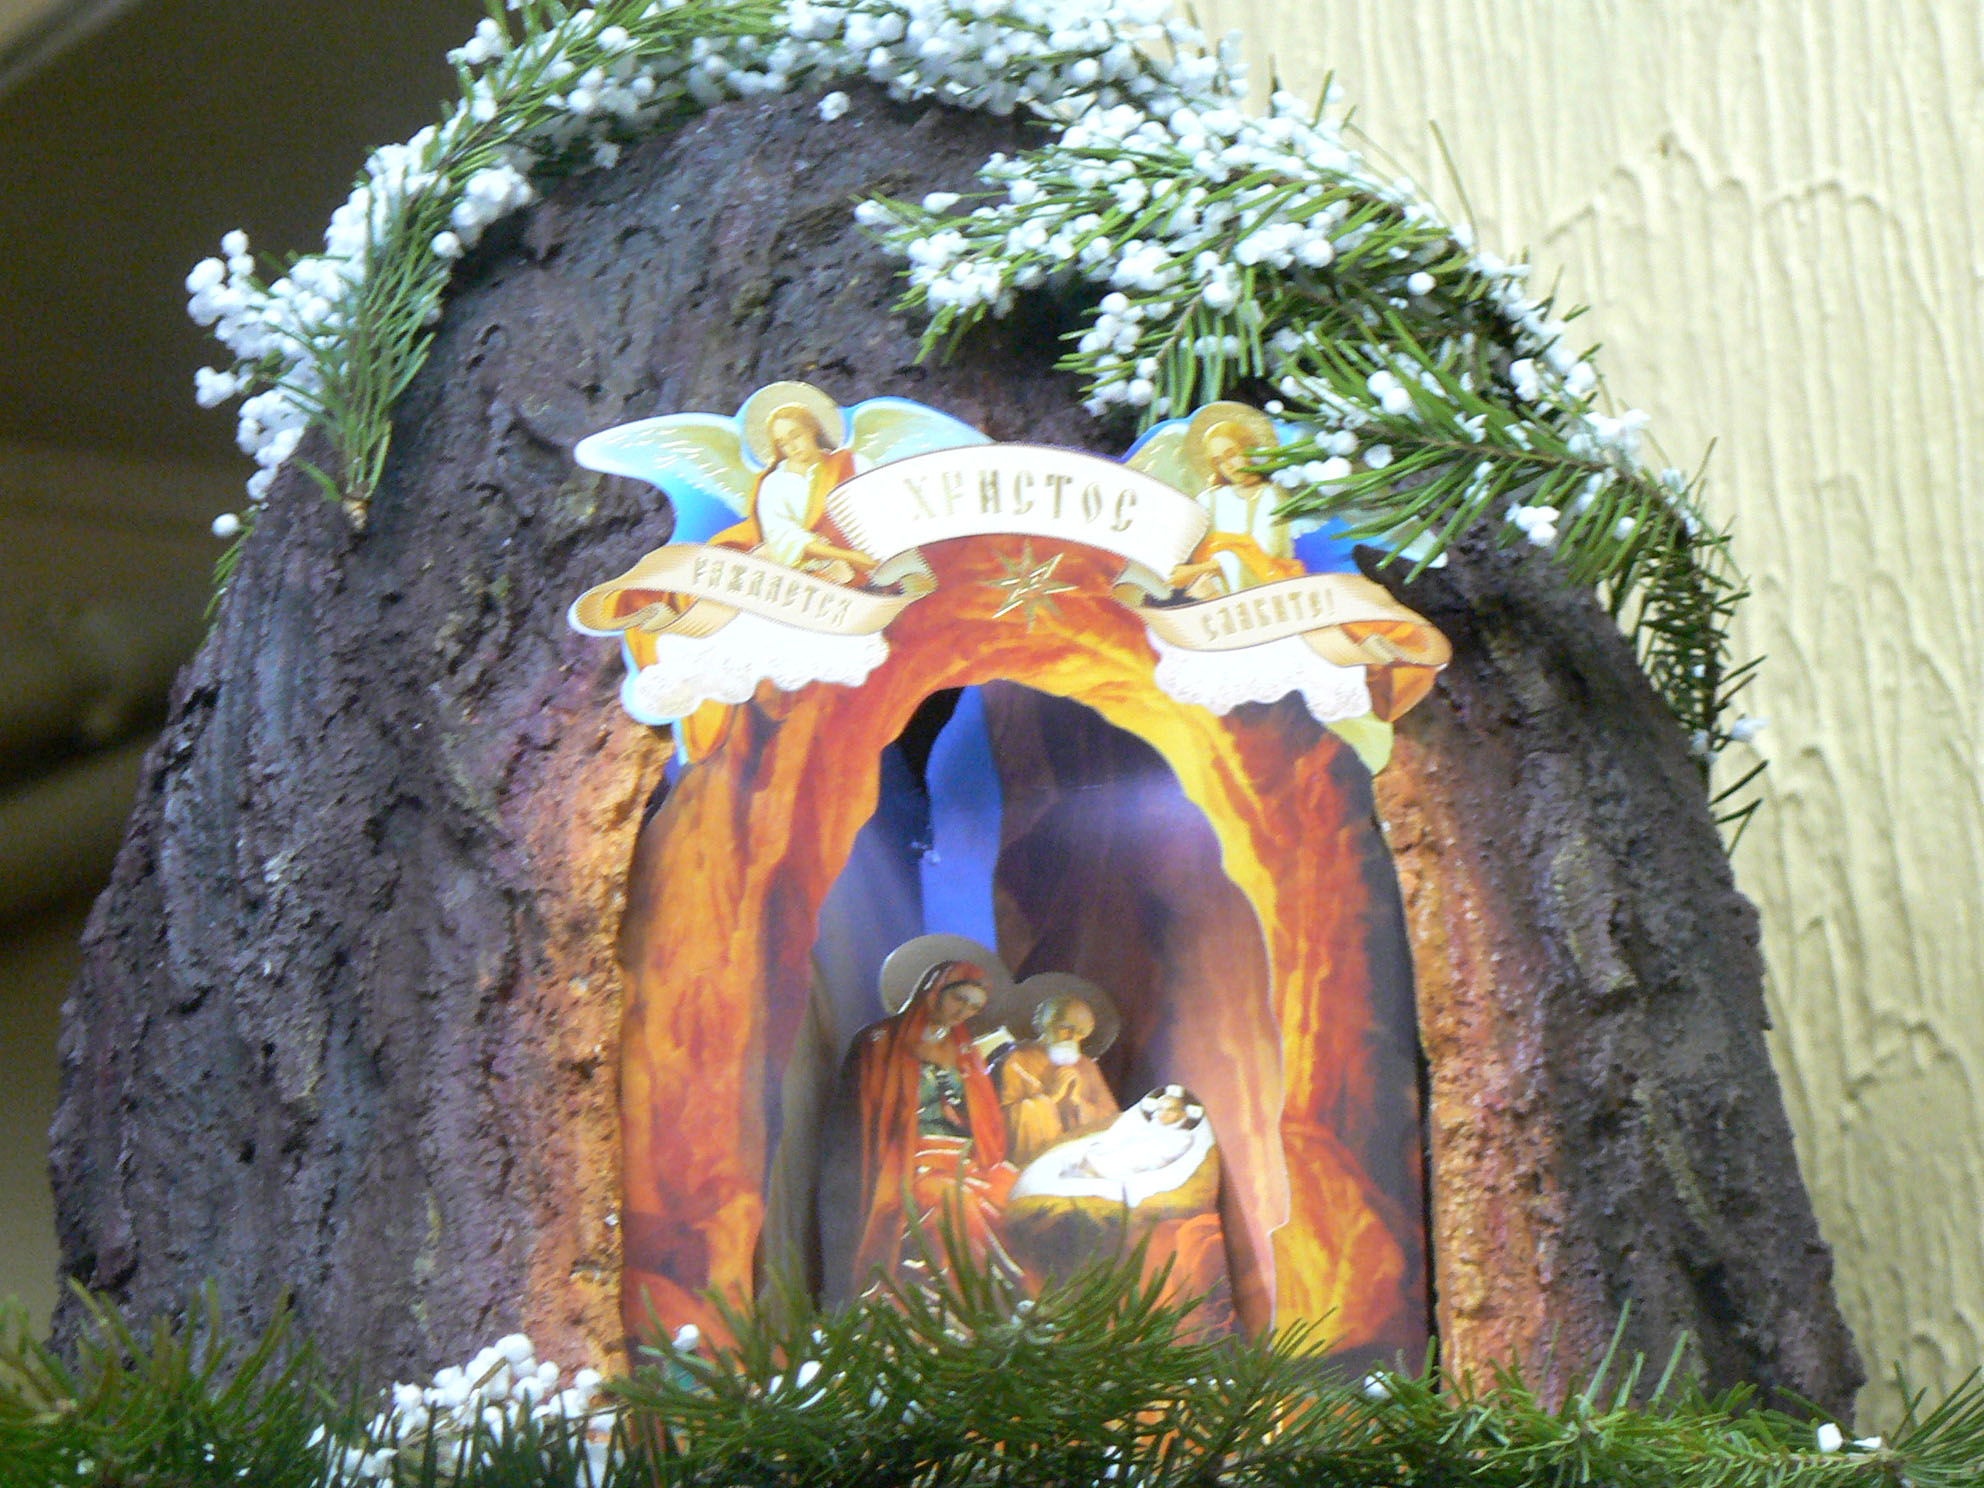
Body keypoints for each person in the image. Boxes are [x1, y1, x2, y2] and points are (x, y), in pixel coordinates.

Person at [842, 960, 1019, 1294]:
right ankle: (961, 1300)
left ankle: (1010, 1300)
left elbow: (984, 1116)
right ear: (935, 991)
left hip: (965, 1155)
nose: (963, 1012)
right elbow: (869, 1112)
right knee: (956, 1203)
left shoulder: (966, 1052)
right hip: (909, 1154)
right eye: (958, 999)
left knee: (1013, 1193)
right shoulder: (881, 1040)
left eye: (973, 1008)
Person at [716, 400, 874, 582]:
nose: (792, 447)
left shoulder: (853, 463)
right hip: (807, 574)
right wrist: (849, 557)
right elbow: (786, 538)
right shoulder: (774, 484)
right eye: (783, 443)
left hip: (868, 559)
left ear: (812, 429)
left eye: (796, 435)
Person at [1168, 409, 1306, 597]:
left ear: (1248, 449)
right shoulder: (1210, 500)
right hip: (1215, 587)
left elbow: (1266, 551)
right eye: (1219, 461)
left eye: (1232, 454)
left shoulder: (1272, 495)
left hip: (1269, 586)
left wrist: (1198, 570)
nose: (1229, 466)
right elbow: (1191, 544)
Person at [996, 992, 1121, 1167]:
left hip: (1074, 1154)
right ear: (1046, 1023)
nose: (1072, 1038)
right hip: (1032, 1158)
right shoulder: (1017, 1059)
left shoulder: (1086, 1066)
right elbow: (1003, 1117)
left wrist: (1078, 1102)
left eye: (1080, 1033)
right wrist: (1051, 1098)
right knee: (1031, 1111)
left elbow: (1111, 1118)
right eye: (1065, 1028)